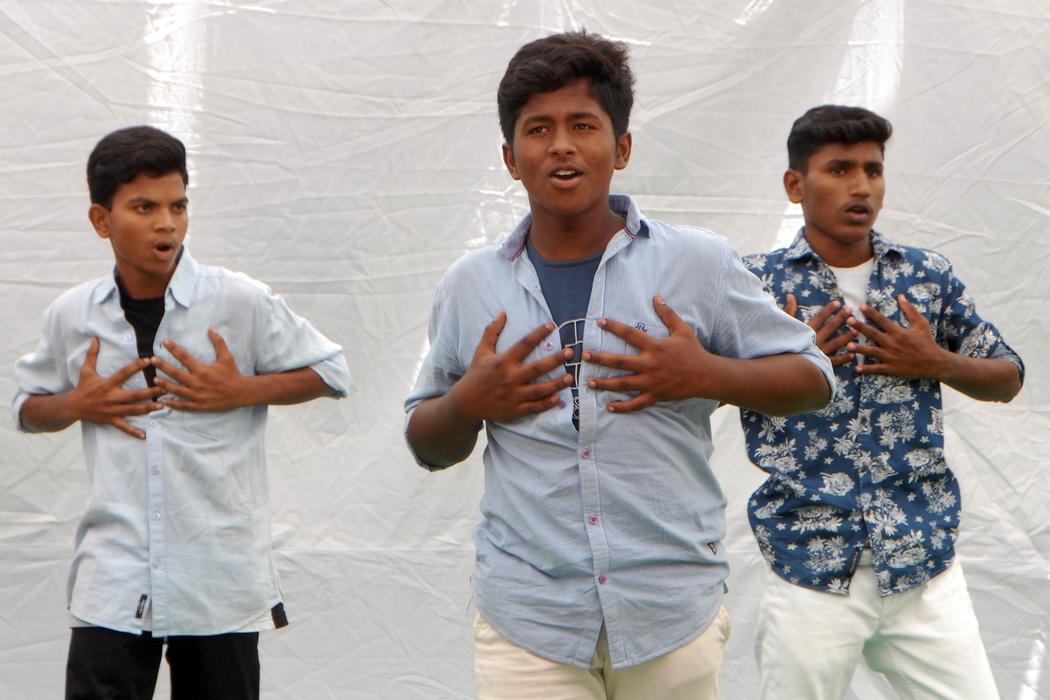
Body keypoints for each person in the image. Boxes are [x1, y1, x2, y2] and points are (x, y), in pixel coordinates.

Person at [404, 31, 834, 700]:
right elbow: (427, 445)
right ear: (511, 159)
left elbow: (813, 380)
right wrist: (466, 404)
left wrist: (708, 376)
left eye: (584, 125)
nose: (562, 145)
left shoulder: (698, 263)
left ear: (623, 147)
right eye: (538, 129)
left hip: (671, 615)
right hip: (529, 624)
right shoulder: (470, 286)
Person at [13, 125, 351, 700]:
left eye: (178, 205)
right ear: (101, 219)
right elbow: (26, 407)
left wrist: (241, 390)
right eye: (144, 207)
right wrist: (76, 403)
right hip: (113, 575)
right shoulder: (72, 315)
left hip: (218, 575)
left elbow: (333, 372)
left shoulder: (239, 300)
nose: (167, 223)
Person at [739, 104, 1024, 699]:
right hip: (811, 564)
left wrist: (937, 363)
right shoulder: (757, 286)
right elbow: (696, 389)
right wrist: (781, 370)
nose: (861, 186)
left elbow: (1008, 376)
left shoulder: (925, 277)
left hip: (923, 563)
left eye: (873, 169)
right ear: (795, 185)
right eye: (839, 169)